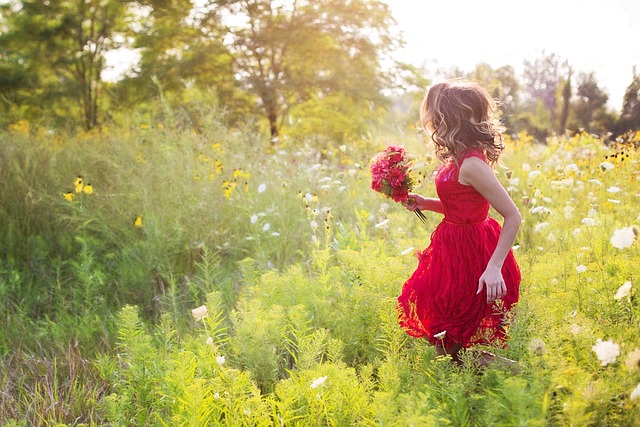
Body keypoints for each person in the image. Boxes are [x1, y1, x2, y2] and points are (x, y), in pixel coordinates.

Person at [397, 78, 521, 367]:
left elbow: (513, 215)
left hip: (474, 254)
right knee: (445, 338)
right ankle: (475, 384)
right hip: (450, 250)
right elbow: (462, 208)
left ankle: (519, 375)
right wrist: (426, 203)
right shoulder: (456, 159)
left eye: (435, 115)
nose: (432, 122)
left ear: (449, 118)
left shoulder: (472, 164)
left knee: (451, 341)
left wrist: (493, 268)